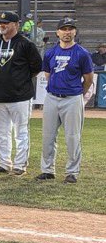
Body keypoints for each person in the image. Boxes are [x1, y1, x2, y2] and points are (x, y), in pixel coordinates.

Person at [38, 17, 94, 183]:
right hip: (52, 97)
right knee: (48, 136)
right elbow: (48, 75)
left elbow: (89, 79)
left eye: (70, 29)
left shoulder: (82, 53)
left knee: (73, 137)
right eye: (64, 29)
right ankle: (47, 170)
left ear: (75, 32)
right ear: (58, 32)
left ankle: (72, 172)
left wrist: (78, 94)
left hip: (72, 98)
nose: (67, 32)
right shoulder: (50, 53)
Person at [0, 11, 42, 176]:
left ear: (16, 24)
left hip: (21, 96)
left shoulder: (26, 44)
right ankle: (4, 164)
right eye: (0, 22)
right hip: (0, 97)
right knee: (2, 132)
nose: (2, 25)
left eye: (6, 23)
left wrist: (20, 80)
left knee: (21, 132)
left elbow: (36, 67)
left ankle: (20, 165)